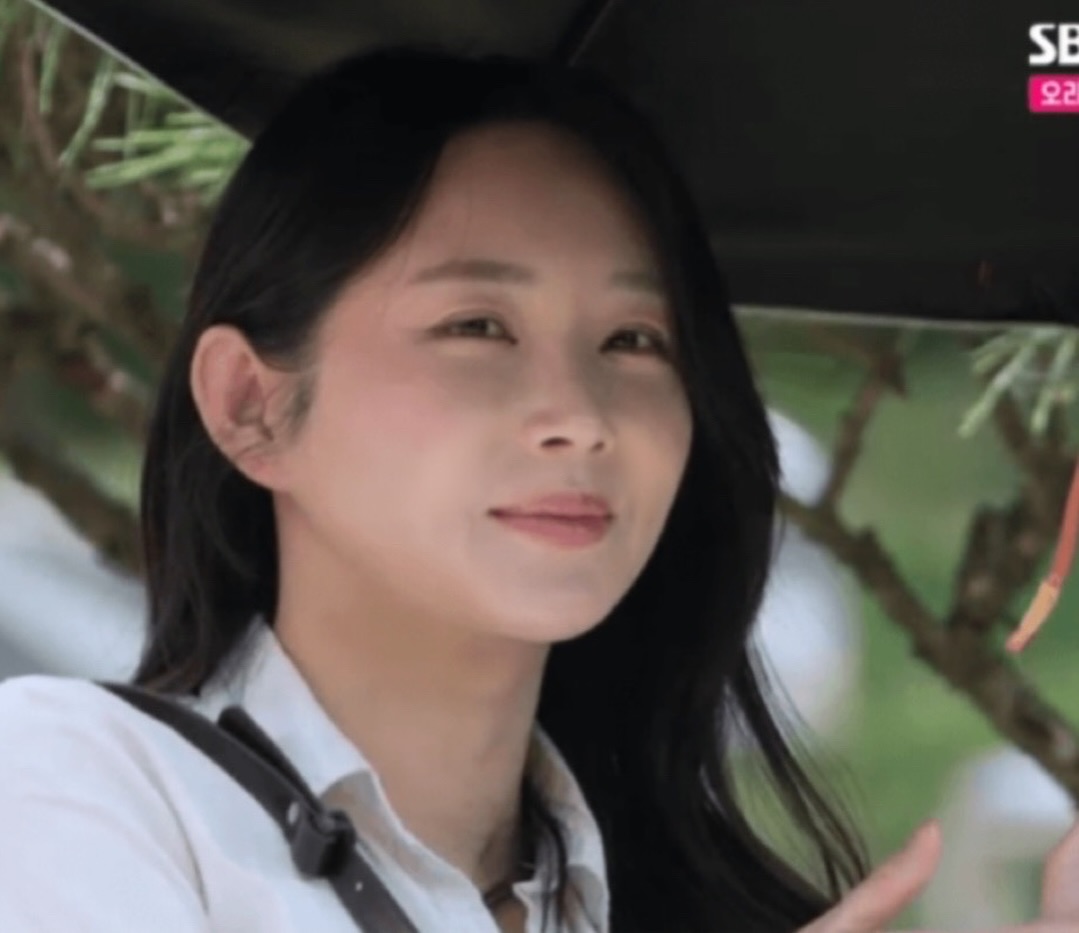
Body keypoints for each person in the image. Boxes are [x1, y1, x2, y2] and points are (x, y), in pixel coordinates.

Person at [0, 46, 1076, 933]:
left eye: (634, 339)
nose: (580, 415)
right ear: (250, 405)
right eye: (477, 326)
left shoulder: (683, 905)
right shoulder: (76, 786)